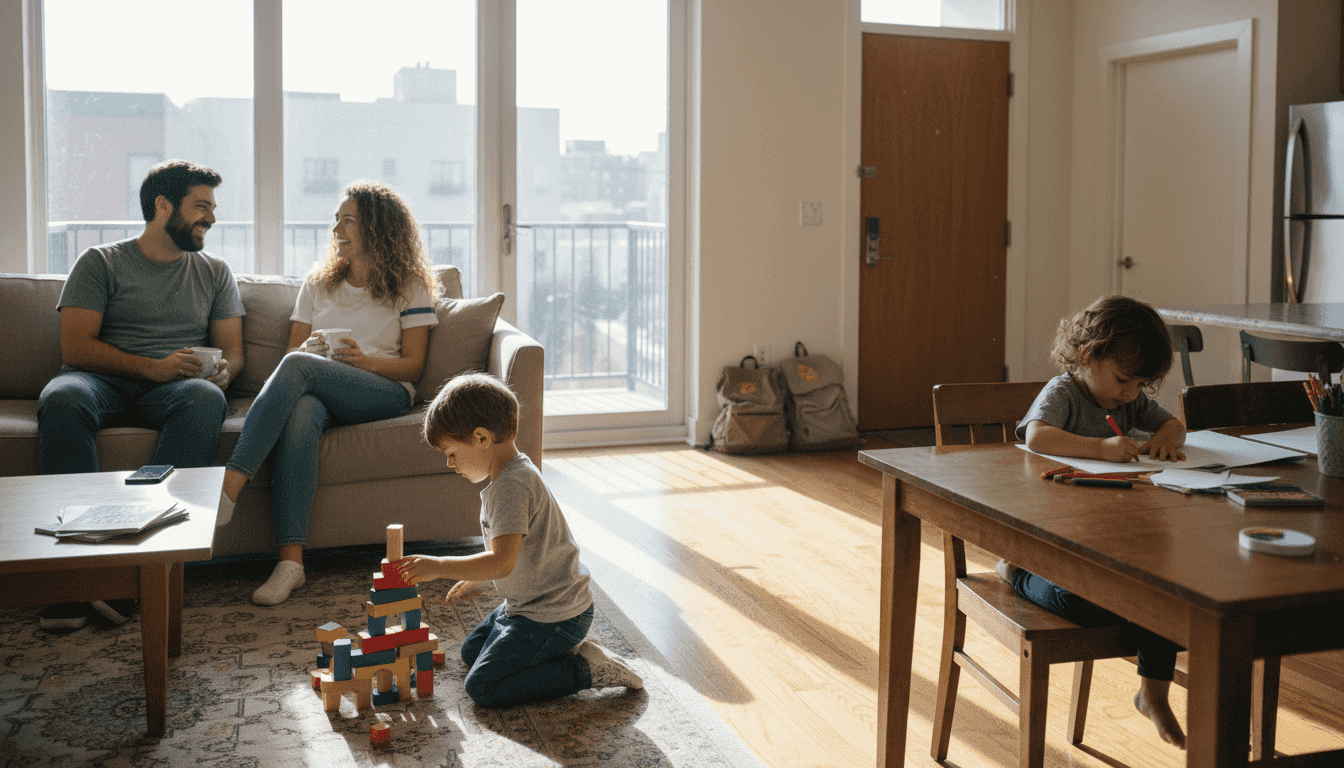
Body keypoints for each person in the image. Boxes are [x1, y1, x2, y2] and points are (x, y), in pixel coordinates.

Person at [37, 160, 244, 632]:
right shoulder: (100, 261)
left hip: (177, 388)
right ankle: (73, 577)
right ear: (163, 205)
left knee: (205, 400)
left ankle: (143, 565)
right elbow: (76, 345)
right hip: (99, 380)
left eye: (212, 207)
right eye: (201, 206)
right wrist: (152, 367)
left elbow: (232, 349)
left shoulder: (214, 272)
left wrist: (226, 372)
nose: (211, 218)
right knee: (61, 399)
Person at [220, 181, 440, 606]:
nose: (337, 227)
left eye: (348, 220)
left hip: (385, 390)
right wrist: (312, 353)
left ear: (377, 228)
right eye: (336, 219)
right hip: (323, 386)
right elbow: (293, 355)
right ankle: (291, 563)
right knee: (302, 409)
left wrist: (364, 362)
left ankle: (230, 484)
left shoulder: (409, 285)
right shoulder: (319, 283)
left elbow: (414, 365)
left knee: (301, 372)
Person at [1001, 294, 1188, 748]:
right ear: (1087, 355)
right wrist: (1100, 450)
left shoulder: (1129, 400)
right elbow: (1038, 434)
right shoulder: (1064, 391)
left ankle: (1153, 694)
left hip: (1107, 544)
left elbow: (1175, 424)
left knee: (1168, 601)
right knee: (1085, 604)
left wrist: (1164, 436)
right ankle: (1015, 572)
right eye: (1124, 379)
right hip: (1050, 545)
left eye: (1140, 384)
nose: (1130, 393)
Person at [396, 373, 644, 707]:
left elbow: (502, 561)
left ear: (482, 438)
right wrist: (477, 579)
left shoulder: (511, 487)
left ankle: (586, 669)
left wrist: (439, 566)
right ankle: (562, 649)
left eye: (452, 453)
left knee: (483, 687)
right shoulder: (511, 473)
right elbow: (520, 554)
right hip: (530, 605)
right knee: (471, 652)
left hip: (554, 615)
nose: (449, 463)